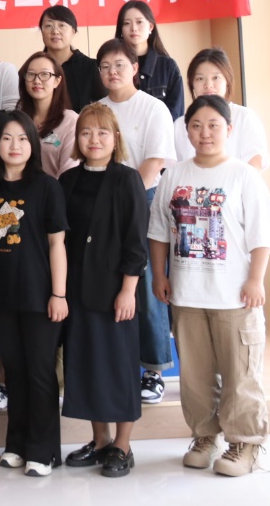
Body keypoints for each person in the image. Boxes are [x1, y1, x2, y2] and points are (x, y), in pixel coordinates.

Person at [150, 95, 270, 477]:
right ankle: (205, 436)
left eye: (213, 125)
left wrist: (256, 279)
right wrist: (160, 275)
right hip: (187, 295)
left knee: (241, 375)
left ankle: (246, 443)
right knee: (195, 377)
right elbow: (159, 231)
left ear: (229, 129)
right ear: (186, 131)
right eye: (196, 125)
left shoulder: (244, 175)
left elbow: (262, 236)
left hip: (235, 296)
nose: (204, 133)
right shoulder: (174, 175)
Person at [58, 103, 148, 478]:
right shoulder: (67, 180)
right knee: (86, 365)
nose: (93, 139)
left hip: (115, 290)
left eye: (102, 132)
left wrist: (128, 290)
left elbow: (136, 241)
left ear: (115, 138)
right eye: (86, 132)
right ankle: (99, 440)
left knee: (118, 366)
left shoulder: (127, 179)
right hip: (77, 289)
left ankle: (122, 446)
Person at [0, 110, 68, 477]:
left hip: (39, 296)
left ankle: (44, 450)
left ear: (32, 143)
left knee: (40, 372)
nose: (14, 145)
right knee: (13, 371)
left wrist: (59, 294)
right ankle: (16, 443)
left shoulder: (47, 187)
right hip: (1, 296)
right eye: (6, 138)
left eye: (21, 138)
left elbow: (57, 244)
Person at [96, 38, 177, 405]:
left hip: (143, 200)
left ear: (134, 68)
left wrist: (125, 199)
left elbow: (154, 161)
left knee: (144, 282)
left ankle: (154, 369)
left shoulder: (153, 108)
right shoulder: (96, 109)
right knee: (110, 280)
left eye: (119, 65)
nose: (112, 72)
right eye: (105, 66)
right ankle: (120, 363)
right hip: (103, 202)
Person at [173, 47, 270, 170]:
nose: (208, 85)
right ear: (192, 84)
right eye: (200, 78)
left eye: (215, 78)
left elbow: (255, 163)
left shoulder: (244, 117)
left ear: (227, 81)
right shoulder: (180, 125)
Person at [116, 0, 184, 120]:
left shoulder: (167, 66)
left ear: (151, 26)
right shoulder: (114, 66)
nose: (134, 28)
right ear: (121, 30)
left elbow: (176, 114)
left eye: (139, 22)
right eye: (127, 23)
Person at [18, 52, 78, 178]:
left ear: (57, 81)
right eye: (31, 74)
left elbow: (69, 172)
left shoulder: (70, 121)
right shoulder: (17, 119)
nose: (37, 81)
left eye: (45, 74)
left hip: (58, 189)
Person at [39, 5, 105, 111]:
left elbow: (104, 110)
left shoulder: (91, 67)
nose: (55, 31)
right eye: (49, 26)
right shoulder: (33, 68)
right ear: (41, 31)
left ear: (73, 31)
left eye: (62, 25)